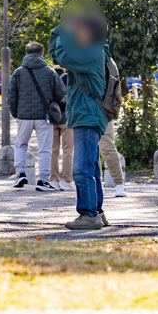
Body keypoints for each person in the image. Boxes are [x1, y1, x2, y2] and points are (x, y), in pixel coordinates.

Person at [49, 13, 109, 230]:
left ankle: (88, 213)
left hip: (87, 116)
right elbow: (57, 55)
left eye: (78, 29)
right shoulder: (92, 52)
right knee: (91, 168)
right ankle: (97, 211)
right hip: (89, 115)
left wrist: (62, 30)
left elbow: (63, 58)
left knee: (82, 169)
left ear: (88, 32)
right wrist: (62, 31)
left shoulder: (91, 53)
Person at [8, 42, 66, 193]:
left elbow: (11, 96)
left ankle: (20, 173)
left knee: (20, 145)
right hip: (43, 116)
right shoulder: (49, 72)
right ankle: (43, 180)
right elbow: (60, 94)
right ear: (42, 54)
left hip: (24, 116)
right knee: (45, 149)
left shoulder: (18, 72)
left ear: (27, 53)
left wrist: (16, 113)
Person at [50, 65, 75, 191]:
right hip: (67, 119)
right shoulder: (67, 77)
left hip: (52, 117)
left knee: (53, 151)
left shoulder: (48, 76)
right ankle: (67, 179)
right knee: (68, 151)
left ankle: (53, 179)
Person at [99, 115, 127, 198]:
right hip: (85, 113)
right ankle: (97, 184)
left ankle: (119, 184)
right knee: (90, 151)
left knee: (108, 149)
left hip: (104, 112)